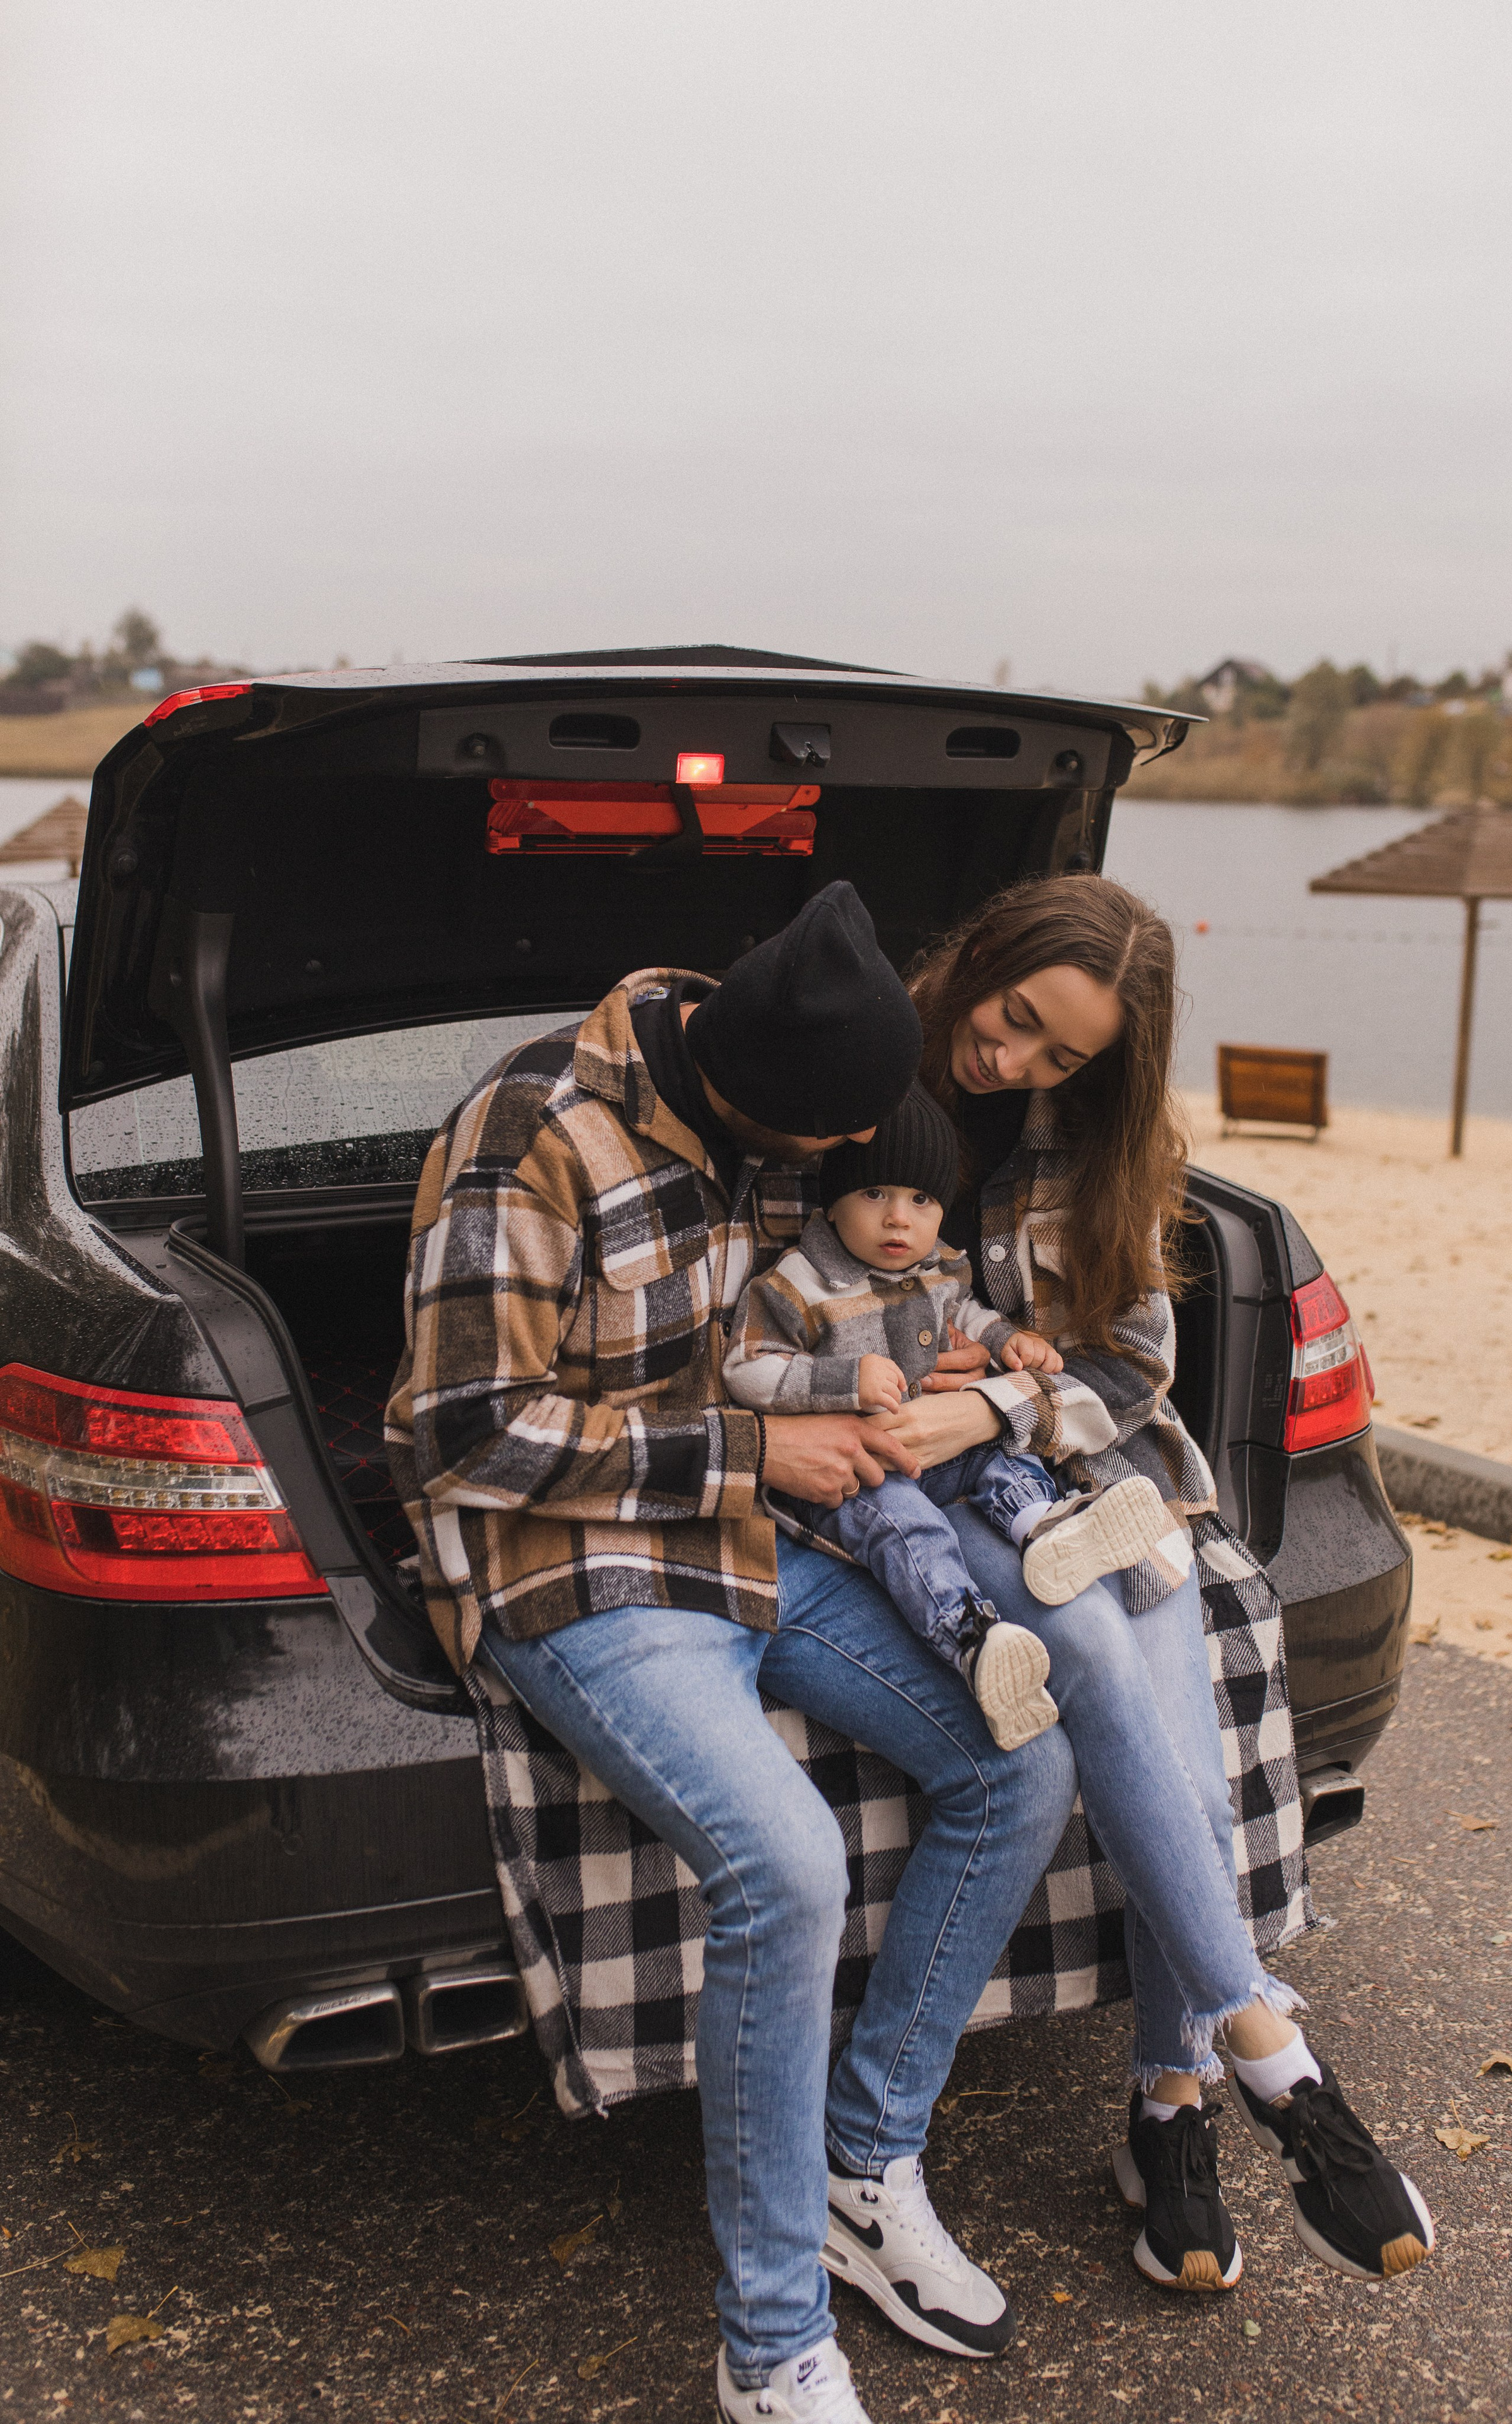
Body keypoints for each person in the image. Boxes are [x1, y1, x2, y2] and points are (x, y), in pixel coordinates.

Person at [388, 882, 1082, 2424]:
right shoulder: (532, 1135)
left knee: (1017, 1760)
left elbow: (798, 1314)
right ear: (749, 1091)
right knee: (788, 1863)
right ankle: (770, 2346)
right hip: (574, 1566)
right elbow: (459, 1432)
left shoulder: (774, 1082)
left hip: (760, 1545)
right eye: (824, 1150)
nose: (840, 1174)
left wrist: (931, 1365)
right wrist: (756, 1447)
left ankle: (861, 2155)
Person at [869, 869, 1435, 2295]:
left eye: (1061, 1054)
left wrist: (995, 1408)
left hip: (1083, 1462)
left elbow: (1132, 1361)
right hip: (930, 1487)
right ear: (977, 959)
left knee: (1179, 1737)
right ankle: (1263, 2058)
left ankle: (1167, 2102)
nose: (1015, 1065)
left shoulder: (1095, 1137)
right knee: (1103, 1658)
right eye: (1008, 1023)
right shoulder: (856, 1081)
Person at [723, 1079, 1179, 1749]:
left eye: (921, 1199)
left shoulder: (939, 1269)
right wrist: (840, 1380)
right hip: (861, 1474)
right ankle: (974, 1638)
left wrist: (1009, 1342)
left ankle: (1047, 1529)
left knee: (1004, 1455)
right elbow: (746, 1366)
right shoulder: (798, 1282)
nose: (897, 1219)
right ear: (836, 1199)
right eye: (874, 1194)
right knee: (905, 1527)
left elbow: (967, 1314)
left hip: (941, 1449)